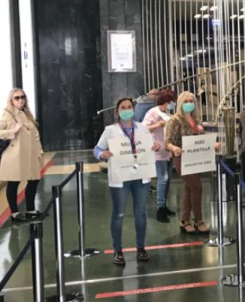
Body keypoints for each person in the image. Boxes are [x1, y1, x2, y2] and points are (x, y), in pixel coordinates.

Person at [94, 98, 162, 265]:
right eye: (123, 108)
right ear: (117, 112)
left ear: (133, 109)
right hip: (121, 177)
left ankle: (141, 247)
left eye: (129, 107)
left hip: (141, 175)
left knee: (141, 212)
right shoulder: (110, 130)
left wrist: (156, 146)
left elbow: (151, 145)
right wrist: (102, 155)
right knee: (119, 213)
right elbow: (97, 149)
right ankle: (117, 250)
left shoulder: (143, 129)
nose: (126, 110)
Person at [165, 91, 221, 235]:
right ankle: (199, 220)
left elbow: (200, 140)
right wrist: (174, 148)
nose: (189, 104)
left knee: (189, 189)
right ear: (180, 103)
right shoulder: (175, 120)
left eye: (191, 101)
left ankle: (184, 221)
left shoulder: (196, 121)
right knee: (197, 188)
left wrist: (211, 145)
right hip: (182, 159)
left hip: (197, 159)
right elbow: (167, 142)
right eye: (186, 101)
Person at [0, 89, 44, 223]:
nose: (20, 100)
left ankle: (30, 210)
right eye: (17, 98)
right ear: (11, 100)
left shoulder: (27, 114)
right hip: (14, 155)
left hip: (30, 154)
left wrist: (39, 151)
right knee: (14, 182)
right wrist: (13, 131)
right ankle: (15, 213)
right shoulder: (7, 114)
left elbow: (35, 135)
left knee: (34, 179)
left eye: (23, 97)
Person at [143, 90, 177, 222]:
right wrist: (157, 124)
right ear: (165, 101)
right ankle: (160, 208)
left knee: (168, 179)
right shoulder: (153, 112)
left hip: (168, 150)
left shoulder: (168, 114)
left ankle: (164, 205)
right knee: (163, 178)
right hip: (158, 151)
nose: (172, 104)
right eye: (171, 102)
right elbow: (143, 128)